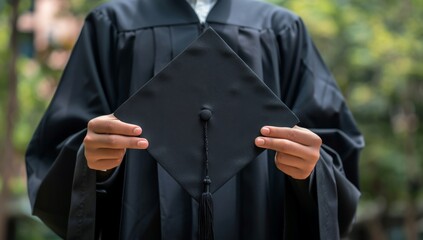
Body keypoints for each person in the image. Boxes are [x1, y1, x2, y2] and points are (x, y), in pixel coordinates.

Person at [25, 0, 364, 239]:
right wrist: (93, 161)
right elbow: (59, 151)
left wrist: (310, 172)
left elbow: (332, 151)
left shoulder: (280, 30)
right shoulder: (111, 25)